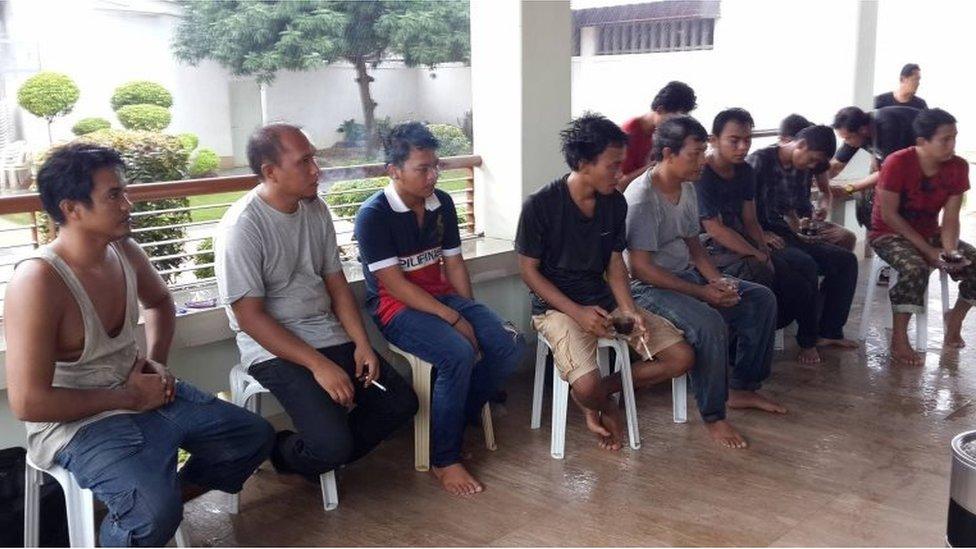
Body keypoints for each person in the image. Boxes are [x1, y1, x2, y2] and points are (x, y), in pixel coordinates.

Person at [5, 143, 274, 547]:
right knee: (152, 513)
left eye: (125, 192)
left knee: (251, 436)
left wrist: (156, 363)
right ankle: (150, 515)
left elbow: (161, 302)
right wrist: (126, 398)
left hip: (139, 393)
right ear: (71, 209)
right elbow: (29, 403)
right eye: (114, 195)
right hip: (76, 424)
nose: (128, 204)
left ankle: (159, 509)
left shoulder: (123, 250)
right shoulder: (39, 281)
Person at [215, 125, 418, 489]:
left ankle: (326, 450)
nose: (316, 170)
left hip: (327, 334)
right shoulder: (242, 227)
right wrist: (319, 365)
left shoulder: (314, 208)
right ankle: (281, 450)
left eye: (314, 158)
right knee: (332, 444)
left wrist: (360, 344)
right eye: (304, 161)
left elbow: (335, 282)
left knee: (400, 404)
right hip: (274, 349)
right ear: (270, 172)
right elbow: (249, 316)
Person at [354, 122, 525, 496]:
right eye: (422, 169)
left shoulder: (441, 203)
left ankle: (457, 415)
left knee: (508, 344)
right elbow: (395, 285)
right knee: (457, 353)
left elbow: (455, 264)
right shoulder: (374, 215)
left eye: (436, 167)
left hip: (444, 298)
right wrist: (455, 319)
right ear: (394, 171)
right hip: (396, 309)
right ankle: (442, 458)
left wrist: (469, 311)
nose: (433, 176)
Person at [516, 114, 693, 453]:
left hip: (603, 300)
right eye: (612, 166)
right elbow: (529, 272)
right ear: (584, 163)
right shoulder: (540, 205)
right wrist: (578, 313)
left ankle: (597, 394)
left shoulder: (614, 203)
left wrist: (628, 308)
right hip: (557, 309)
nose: (620, 174)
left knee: (680, 357)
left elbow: (614, 262)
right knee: (585, 383)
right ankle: (604, 404)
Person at [627, 115, 781, 449]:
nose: (701, 161)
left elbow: (694, 246)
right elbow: (640, 269)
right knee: (709, 323)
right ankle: (714, 416)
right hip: (647, 288)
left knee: (759, 299)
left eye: (702, 152)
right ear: (668, 154)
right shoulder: (642, 198)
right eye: (694, 154)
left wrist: (718, 281)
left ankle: (743, 387)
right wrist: (702, 293)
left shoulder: (686, 187)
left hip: (684, 276)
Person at [697, 109, 824, 363]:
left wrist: (764, 252)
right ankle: (740, 355)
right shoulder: (702, 174)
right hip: (712, 251)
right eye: (734, 140)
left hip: (741, 243)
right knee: (766, 277)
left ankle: (801, 341)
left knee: (799, 277)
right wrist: (756, 254)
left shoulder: (744, 171)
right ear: (713, 140)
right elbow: (715, 229)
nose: (742, 147)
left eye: (747, 140)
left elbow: (750, 219)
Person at [869, 108, 974, 364]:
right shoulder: (897, 162)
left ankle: (955, 318)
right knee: (915, 267)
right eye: (945, 139)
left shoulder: (958, 167)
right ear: (922, 142)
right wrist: (928, 252)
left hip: (930, 232)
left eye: (954, 138)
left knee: (973, 262)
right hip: (888, 233)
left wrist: (949, 251)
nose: (951, 145)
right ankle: (899, 339)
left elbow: (950, 219)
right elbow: (890, 215)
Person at [748, 125, 861, 360]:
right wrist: (760, 235)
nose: (811, 167)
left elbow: (797, 208)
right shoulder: (760, 161)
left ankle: (829, 331)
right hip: (756, 234)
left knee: (845, 260)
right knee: (805, 263)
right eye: (811, 160)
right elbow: (743, 209)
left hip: (785, 232)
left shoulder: (801, 168)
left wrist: (810, 217)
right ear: (800, 145)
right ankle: (807, 341)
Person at [778, 114, 856, 251]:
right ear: (784, 140)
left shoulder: (815, 160)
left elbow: (825, 191)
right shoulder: (770, 161)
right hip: (781, 224)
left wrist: (823, 208)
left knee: (845, 237)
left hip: (808, 222)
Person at [617, 80, 697, 191]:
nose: (674, 126)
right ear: (660, 110)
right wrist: (657, 166)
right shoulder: (629, 132)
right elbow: (620, 185)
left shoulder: (658, 132)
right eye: (672, 120)